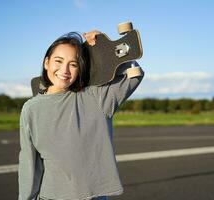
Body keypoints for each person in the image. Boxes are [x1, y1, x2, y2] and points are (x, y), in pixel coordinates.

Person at [18, 30, 144, 200]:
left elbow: (133, 72)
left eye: (74, 64)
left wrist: (103, 49)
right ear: (46, 63)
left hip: (92, 197)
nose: (65, 70)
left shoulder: (96, 97)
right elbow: (30, 165)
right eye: (58, 61)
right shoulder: (30, 109)